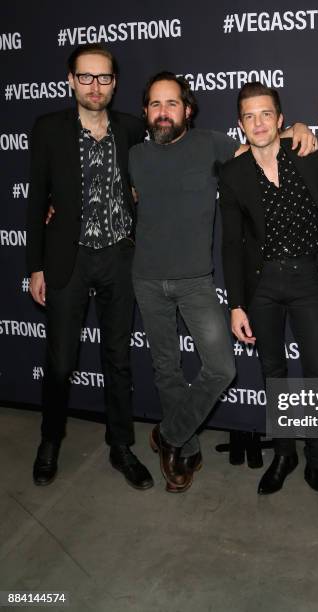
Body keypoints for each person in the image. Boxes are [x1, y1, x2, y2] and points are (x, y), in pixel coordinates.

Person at [129, 72, 317, 493]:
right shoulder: (135, 155)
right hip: (145, 278)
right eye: (156, 105)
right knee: (166, 371)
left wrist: (297, 129)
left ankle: (169, 435)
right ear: (146, 112)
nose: (163, 112)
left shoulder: (212, 144)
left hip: (197, 281)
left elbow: (263, 141)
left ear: (188, 110)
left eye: (172, 104)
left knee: (221, 366)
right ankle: (185, 448)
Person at [26, 44, 153, 489]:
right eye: (86, 77)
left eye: (103, 78)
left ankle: (121, 446)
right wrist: (36, 266)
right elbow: (36, 201)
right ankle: (49, 441)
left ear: (114, 83)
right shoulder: (48, 130)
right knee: (60, 362)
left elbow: (178, 147)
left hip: (120, 257)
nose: (95, 86)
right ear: (70, 80)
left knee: (118, 359)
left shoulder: (133, 130)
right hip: (68, 259)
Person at [218, 82, 318, 504]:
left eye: (265, 114)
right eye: (249, 116)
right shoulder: (233, 173)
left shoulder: (306, 152)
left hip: (307, 279)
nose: (258, 123)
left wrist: (302, 127)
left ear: (278, 119)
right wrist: (236, 303)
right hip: (263, 286)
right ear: (241, 125)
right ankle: (285, 454)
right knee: (274, 372)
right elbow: (232, 244)